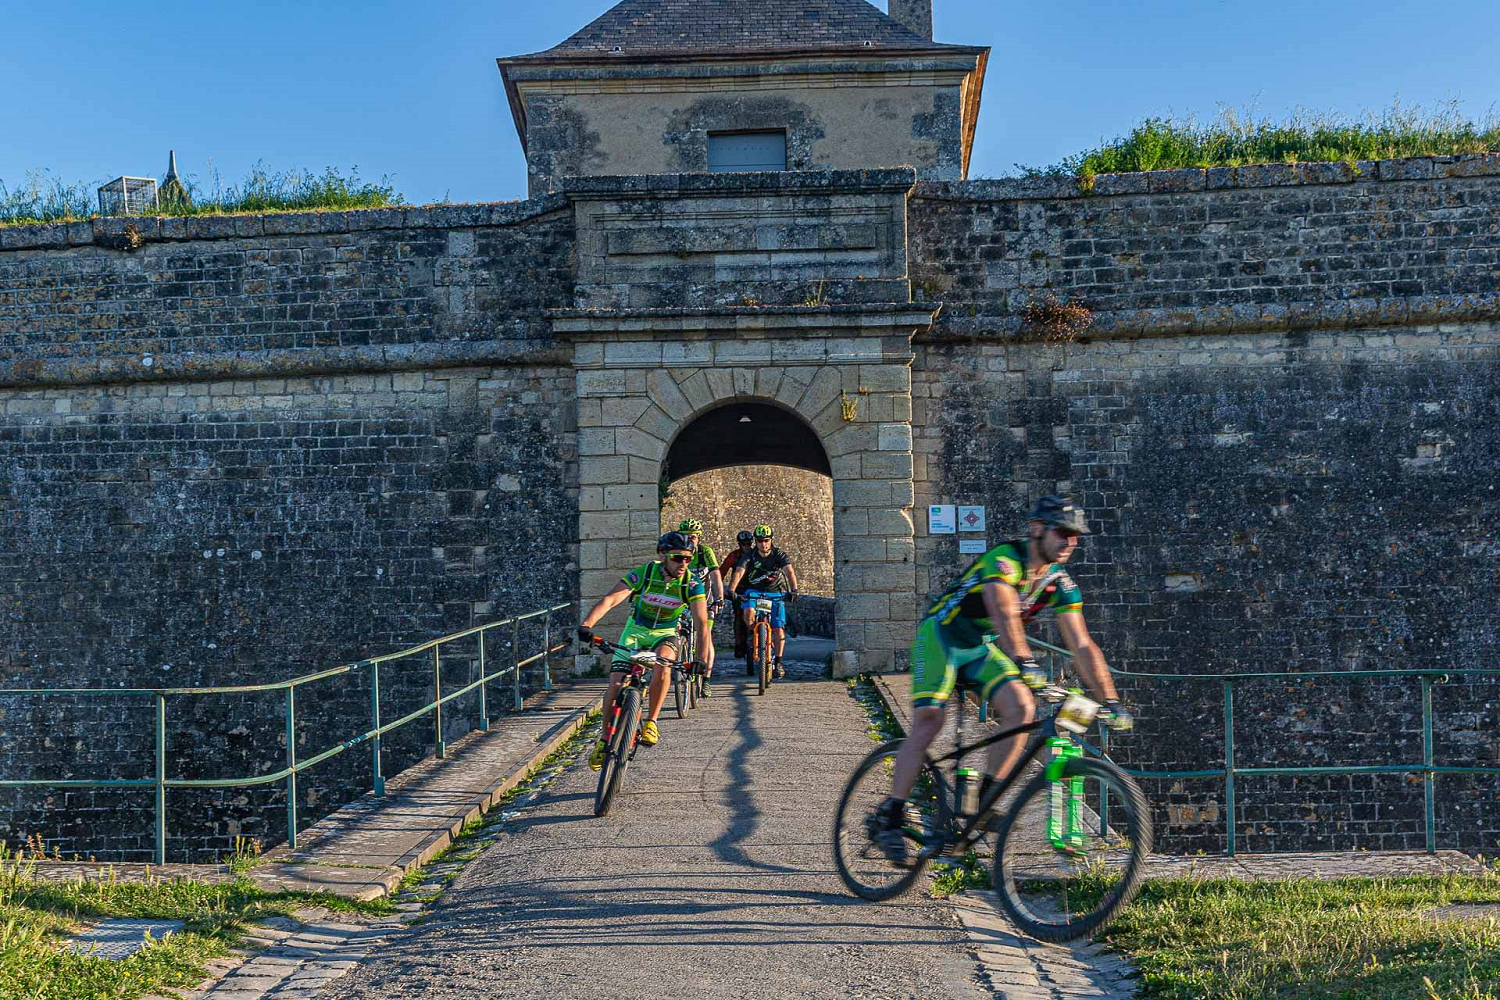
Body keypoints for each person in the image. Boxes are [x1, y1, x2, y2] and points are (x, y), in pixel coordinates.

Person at [872, 496, 1134, 862]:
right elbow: (1003, 610)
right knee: (930, 720)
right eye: (1062, 532)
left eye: (1075, 536)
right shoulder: (1004, 560)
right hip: (942, 637)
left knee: (1022, 709)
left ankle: (985, 802)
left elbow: (1082, 644)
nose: (1069, 542)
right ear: (1037, 529)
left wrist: (1111, 700)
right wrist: (1025, 661)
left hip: (979, 648)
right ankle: (892, 815)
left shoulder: (1060, 582)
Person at [578, 531, 709, 770]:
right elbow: (610, 600)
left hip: (665, 633)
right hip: (635, 631)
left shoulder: (691, 583)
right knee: (616, 683)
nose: (683, 564)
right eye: (678, 558)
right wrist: (587, 625)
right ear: (662, 555)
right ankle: (605, 739)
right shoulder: (645, 573)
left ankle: (651, 721)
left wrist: (701, 659)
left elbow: (701, 624)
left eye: (688, 559)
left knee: (664, 664)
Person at [726, 524, 799, 679]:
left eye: (766, 540)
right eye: (759, 541)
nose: (763, 544)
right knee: (748, 613)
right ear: (756, 542)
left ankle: (778, 662)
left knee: (779, 629)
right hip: (755, 592)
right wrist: (731, 589)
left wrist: (794, 589)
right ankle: (754, 634)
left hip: (775, 594)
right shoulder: (750, 555)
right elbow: (739, 572)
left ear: (771, 540)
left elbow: (789, 571)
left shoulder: (778, 554)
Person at [677, 519, 722, 696]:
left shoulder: (705, 552)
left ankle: (707, 680)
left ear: (699, 538)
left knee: (706, 637)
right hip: (684, 600)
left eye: (693, 537)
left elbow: (716, 575)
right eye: (686, 537)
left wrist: (719, 597)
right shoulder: (678, 553)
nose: (690, 540)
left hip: (705, 600)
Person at [718, 530, 755, 662]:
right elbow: (721, 573)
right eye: (744, 544)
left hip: (755, 589)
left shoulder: (756, 554)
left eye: (748, 544)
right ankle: (740, 644)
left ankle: (764, 639)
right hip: (738, 590)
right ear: (739, 544)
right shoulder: (733, 556)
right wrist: (721, 590)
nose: (746, 546)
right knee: (739, 617)